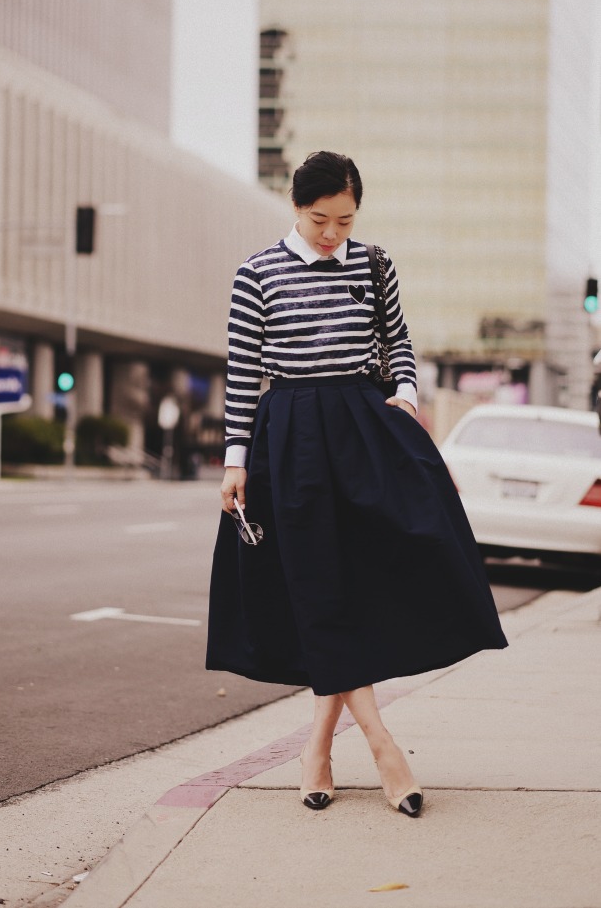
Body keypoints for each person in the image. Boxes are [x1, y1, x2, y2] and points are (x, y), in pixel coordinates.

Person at [206, 151, 508, 816]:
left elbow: (397, 340)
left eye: (344, 220)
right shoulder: (256, 273)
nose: (332, 233)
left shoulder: (373, 263)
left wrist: (402, 392)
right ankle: (380, 744)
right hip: (289, 436)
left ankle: (317, 744)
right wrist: (236, 458)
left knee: (371, 576)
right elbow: (242, 370)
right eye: (320, 219)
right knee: (317, 585)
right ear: (295, 205)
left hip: (366, 430)